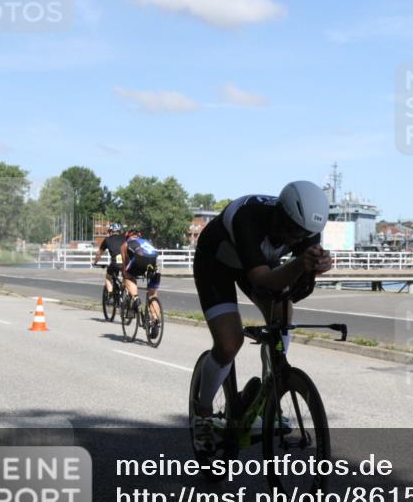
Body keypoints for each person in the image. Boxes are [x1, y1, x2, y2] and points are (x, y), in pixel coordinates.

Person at [191, 181, 333, 453]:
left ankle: (272, 389)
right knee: (229, 344)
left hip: (257, 265)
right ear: (280, 213)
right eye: (292, 230)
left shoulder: (306, 230)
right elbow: (263, 279)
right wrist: (299, 263)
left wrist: (316, 268)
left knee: (283, 315)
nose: (295, 239)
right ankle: (204, 413)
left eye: (303, 234)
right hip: (216, 264)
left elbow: (295, 286)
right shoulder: (249, 218)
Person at [120, 229, 162, 336]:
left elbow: (125, 265)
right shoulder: (146, 242)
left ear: (128, 236)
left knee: (128, 277)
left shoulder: (125, 244)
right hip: (155, 262)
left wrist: (125, 278)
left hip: (140, 260)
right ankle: (155, 320)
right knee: (152, 294)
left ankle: (135, 298)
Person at [91, 222, 124, 295]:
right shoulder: (125, 238)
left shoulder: (107, 240)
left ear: (110, 231)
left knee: (108, 277)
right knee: (127, 277)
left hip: (115, 263)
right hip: (126, 263)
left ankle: (110, 294)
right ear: (120, 231)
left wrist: (95, 262)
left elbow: (99, 253)